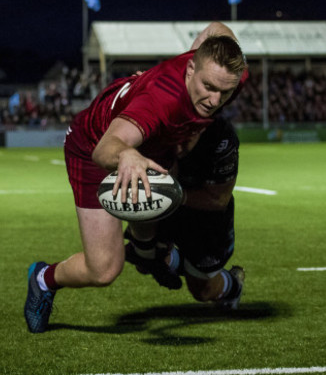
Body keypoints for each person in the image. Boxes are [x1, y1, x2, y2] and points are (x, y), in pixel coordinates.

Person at [24, 22, 247, 333]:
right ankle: (43, 278)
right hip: (94, 142)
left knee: (153, 194)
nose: (214, 100)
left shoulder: (223, 70)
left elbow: (216, 28)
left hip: (152, 139)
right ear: (191, 67)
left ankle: (149, 256)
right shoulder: (159, 102)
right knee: (103, 269)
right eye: (208, 87)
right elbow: (105, 149)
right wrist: (126, 154)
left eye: (225, 92)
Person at [124, 115, 244, 307]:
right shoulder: (155, 125)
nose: (178, 148)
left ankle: (232, 286)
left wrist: (172, 195)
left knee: (202, 292)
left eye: (185, 140)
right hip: (168, 205)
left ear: (200, 129)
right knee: (144, 262)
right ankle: (163, 258)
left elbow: (219, 199)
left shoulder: (221, 138)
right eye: (174, 139)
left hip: (207, 218)